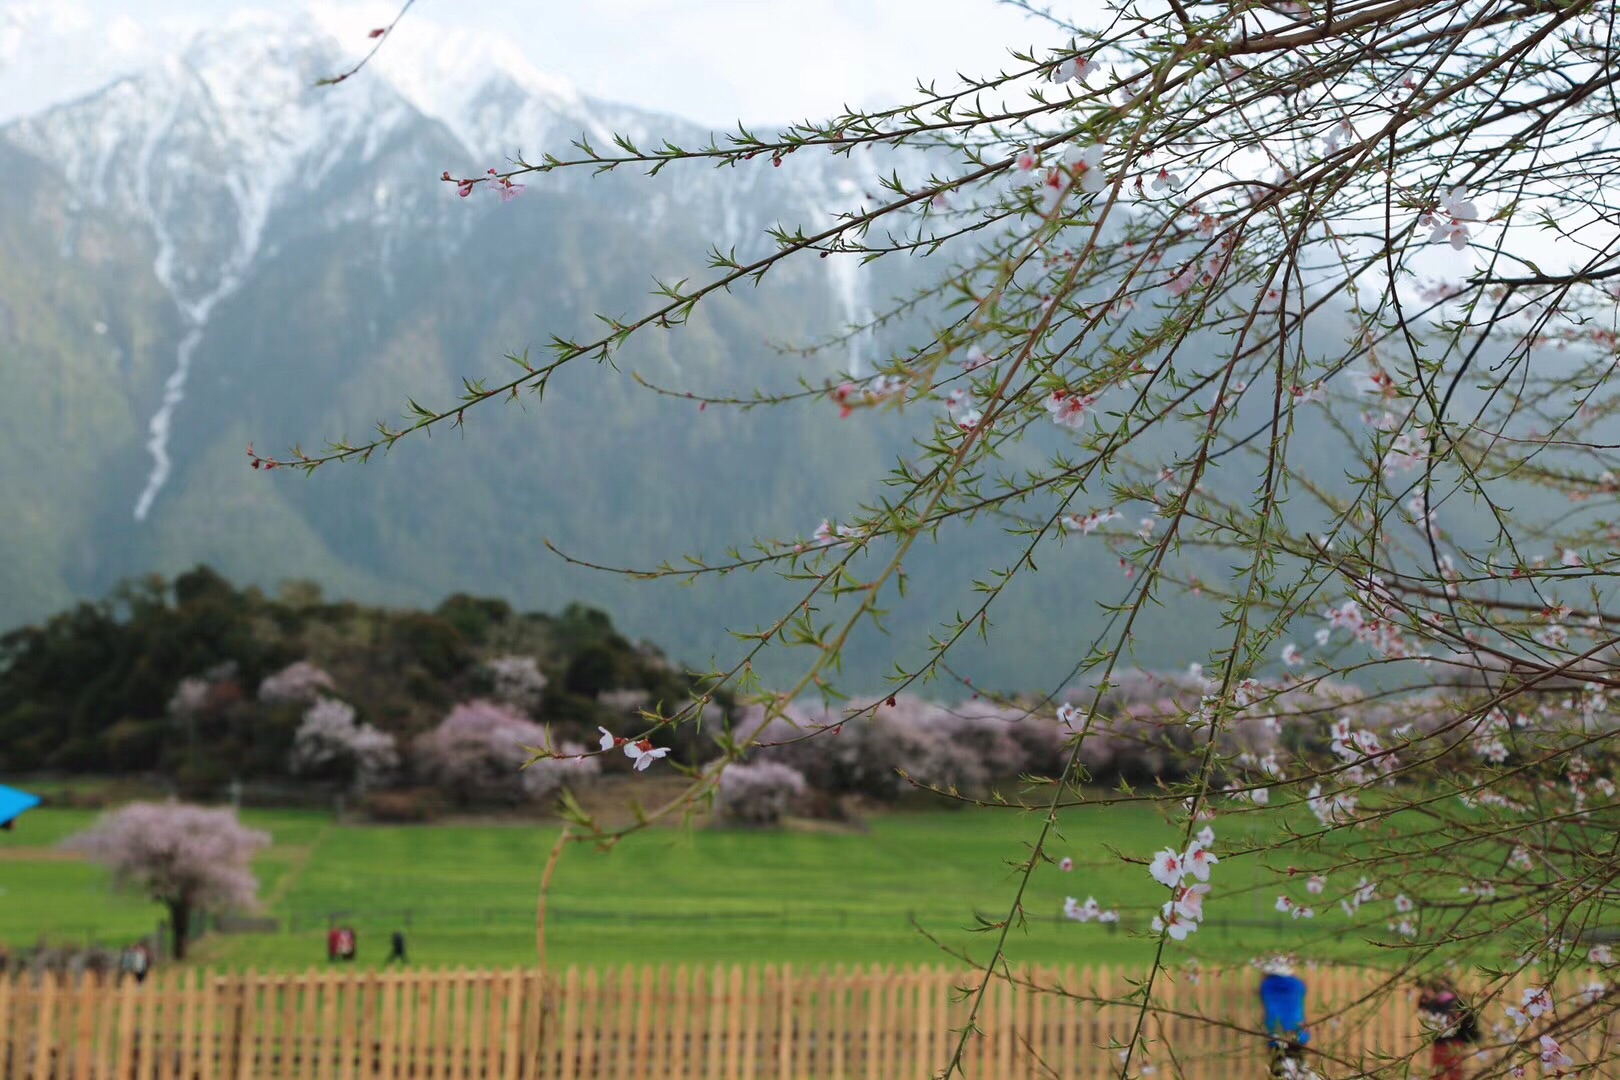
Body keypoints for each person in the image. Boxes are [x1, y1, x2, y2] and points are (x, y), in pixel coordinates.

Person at [1418, 977, 1478, 1080]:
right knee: (1437, 1072)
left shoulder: (1456, 1003)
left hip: (1453, 1043)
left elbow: (1462, 1022)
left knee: (1453, 1072)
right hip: (1439, 1043)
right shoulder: (1434, 1003)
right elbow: (1424, 1010)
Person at [1259, 956, 1310, 1077]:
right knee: (1298, 1068)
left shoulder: (1267, 986)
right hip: (1298, 1032)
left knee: (1278, 1068)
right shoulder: (1297, 984)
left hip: (1276, 1032)